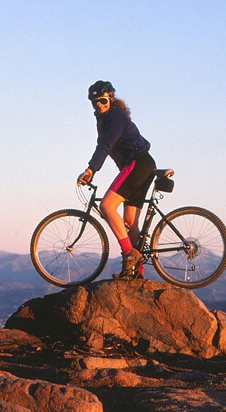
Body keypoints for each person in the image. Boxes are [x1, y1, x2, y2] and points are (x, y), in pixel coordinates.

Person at [77, 80, 156, 279]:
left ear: (111, 98)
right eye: (94, 102)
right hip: (141, 165)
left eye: (102, 100)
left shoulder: (115, 116)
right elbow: (106, 147)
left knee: (106, 206)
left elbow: (105, 145)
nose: (99, 105)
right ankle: (136, 273)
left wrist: (90, 169)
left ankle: (129, 254)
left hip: (137, 164)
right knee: (129, 222)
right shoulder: (107, 118)